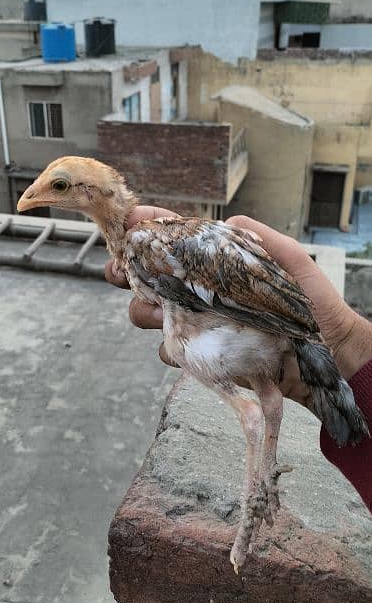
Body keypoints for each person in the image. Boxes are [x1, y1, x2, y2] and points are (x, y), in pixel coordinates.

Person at [105, 208, 372, 512]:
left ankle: (254, 496)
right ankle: (260, 490)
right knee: (180, 341)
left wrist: (337, 339)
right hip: (271, 335)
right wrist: (341, 341)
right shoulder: (146, 247)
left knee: (178, 346)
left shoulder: (153, 246)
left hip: (276, 329)